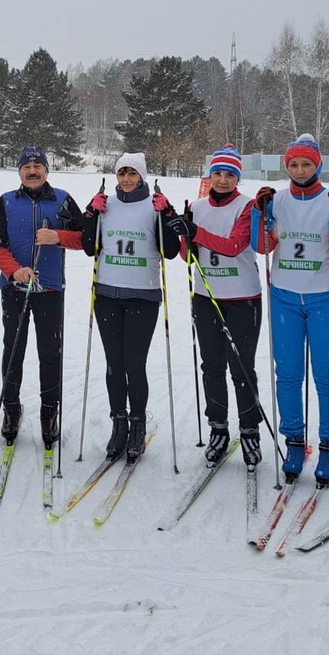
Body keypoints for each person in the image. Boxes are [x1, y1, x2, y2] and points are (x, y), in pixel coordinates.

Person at [252, 133, 329, 486]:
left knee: (327, 376)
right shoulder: (278, 200)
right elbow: (260, 245)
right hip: (284, 296)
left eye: (307, 164)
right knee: (288, 375)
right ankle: (294, 441)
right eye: (294, 164)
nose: (300, 170)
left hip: (324, 298)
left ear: (318, 165)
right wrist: (260, 213)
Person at [80, 152, 187, 461]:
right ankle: (119, 424)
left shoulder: (153, 206)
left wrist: (167, 215)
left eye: (132, 173)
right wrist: (90, 214)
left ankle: (138, 425)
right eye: (122, 173)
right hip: (107, 295)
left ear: (141, 176)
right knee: (114, 363)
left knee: (134, 363)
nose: (126, 179)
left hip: (143, 295)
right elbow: (90, 247)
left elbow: (168, 252)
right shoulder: (106, 205)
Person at [0, 147, 84, 448]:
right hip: (15, 288)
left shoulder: (63, 199)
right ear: (19, 171)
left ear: (46, 169)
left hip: (51, 289)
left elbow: (86, 238)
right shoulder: (6, 201)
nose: (32, 171)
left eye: (38, 166)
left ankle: (48, 412)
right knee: (13, 351)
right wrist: (14, 270)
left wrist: (59, 237)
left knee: (50, 353)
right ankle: (11, 409)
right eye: (27, 166)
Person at [182, 144, 265, 467]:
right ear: (209, 175)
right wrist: (183, 235)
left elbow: (234, 246)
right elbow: (186, 256)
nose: (222, 180)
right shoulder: (196, 205)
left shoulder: (247, 206)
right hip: (206, 297)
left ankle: (249, 430)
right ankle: (218, 426)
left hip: (242, 298)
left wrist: (196, 232)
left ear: (238, 178)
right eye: (217, 173)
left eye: (229, 175)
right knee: (211, 366)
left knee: (242, 368)